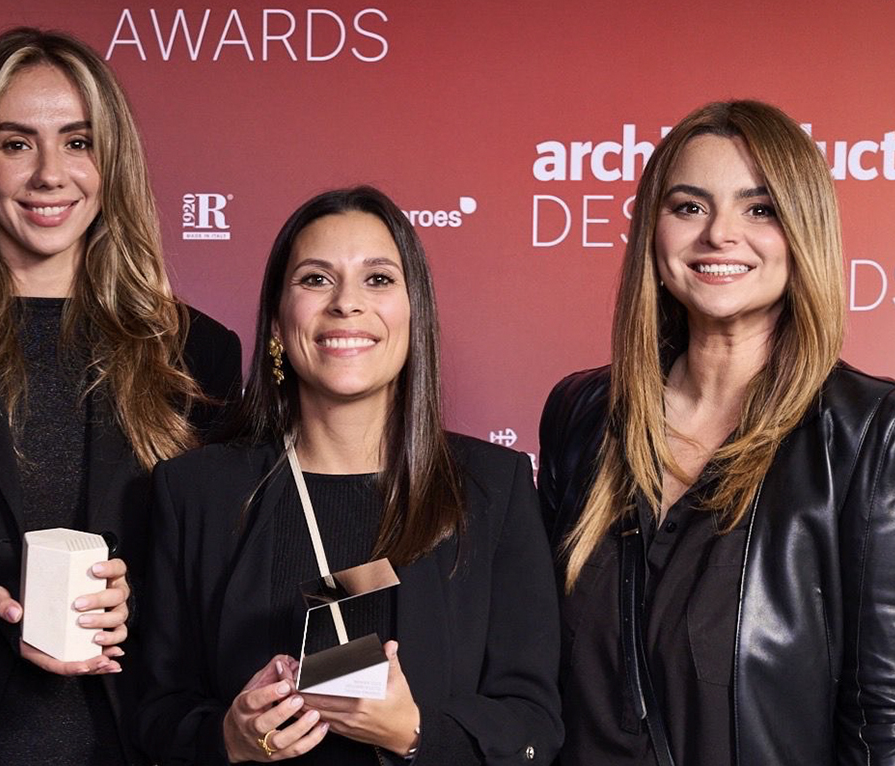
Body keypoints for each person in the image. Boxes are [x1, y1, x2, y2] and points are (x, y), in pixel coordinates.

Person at [0, 28, 241, 765]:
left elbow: (221, 590)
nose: (50, 174)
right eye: (15, 143)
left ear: (112, 163)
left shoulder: (195, 352)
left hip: (137, 744)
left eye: (78, 142)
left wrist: (140, 601)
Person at [136, 186, 563, 765]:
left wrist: (414, 732)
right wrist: (229, 740)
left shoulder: (494, 488)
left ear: (415, 313)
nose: (346, 304)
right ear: (279, 324)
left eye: (379, 280)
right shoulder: (196, 492)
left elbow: (534, 721)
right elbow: (154, 715)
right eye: (315, 279)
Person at [538, 99, 895, 765]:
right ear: (654, 230)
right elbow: (528, 668)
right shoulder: (581, 415)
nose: (720, 235)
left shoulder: (868, 436)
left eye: (759, 208)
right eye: (689, 207)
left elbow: (883, 719)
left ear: (802, 230)